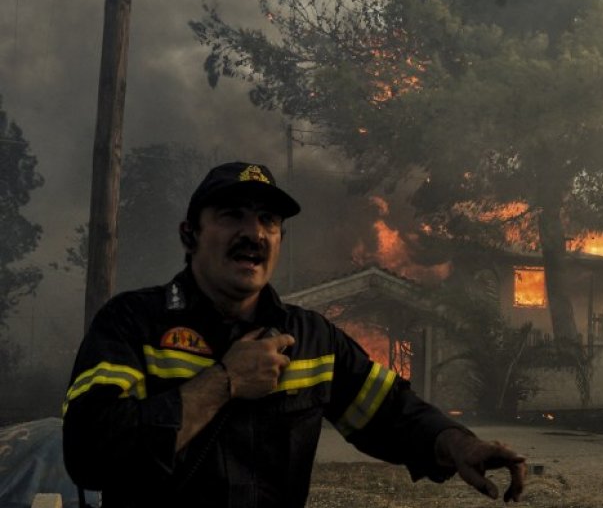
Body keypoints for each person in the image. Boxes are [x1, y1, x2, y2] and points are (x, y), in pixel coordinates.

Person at [62, 161, 526, 508]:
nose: (254, 233)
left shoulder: (313, 339)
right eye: (232, 216)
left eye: (268, 221)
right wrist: (224, 382)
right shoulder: (131, 323)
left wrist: (461, 444)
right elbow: (90, 452)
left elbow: (391, 412)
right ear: (190, 235)